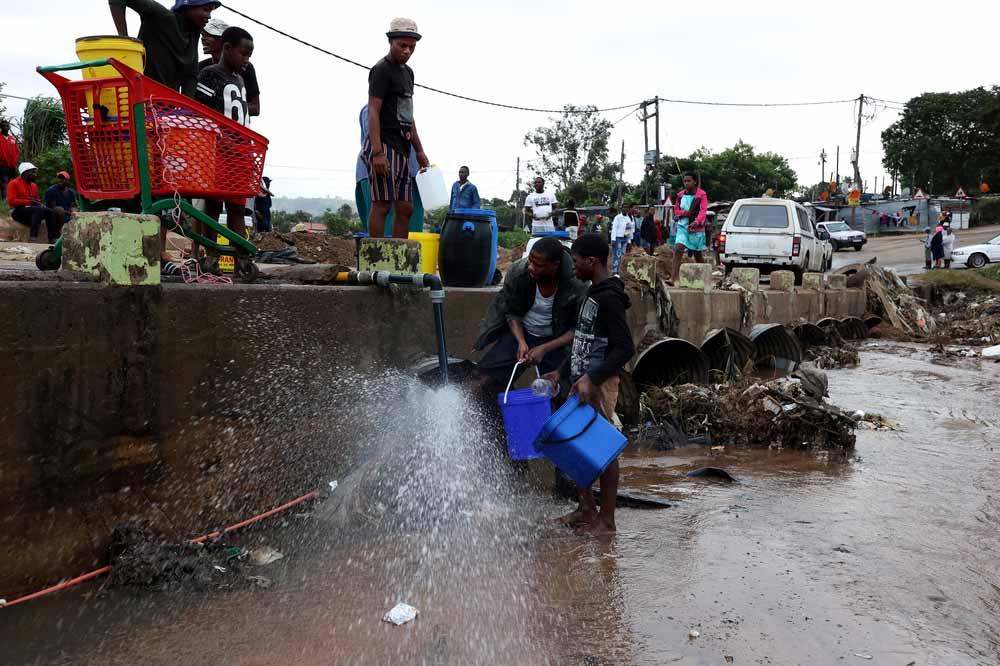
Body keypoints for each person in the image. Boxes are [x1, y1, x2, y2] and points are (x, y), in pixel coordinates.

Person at [548, 232, 634, 536]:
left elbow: (624, 348)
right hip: (580, 378)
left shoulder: (610, 298)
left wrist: (592, 377)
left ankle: (606, 521)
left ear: (591, 261)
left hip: (599, 382)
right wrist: (561, 371)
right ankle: (586, 508)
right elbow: (581, 339)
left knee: (602, 448)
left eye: (576, 260)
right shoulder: (591, 292)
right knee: (576, 444)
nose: (572, 266)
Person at [469, 237, 586, 395]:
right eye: (530, 261)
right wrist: (521, 342)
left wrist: (544, 348)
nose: (531, 267)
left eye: (538, 265)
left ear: (554, 265)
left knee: (558, 390)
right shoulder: (519, 273)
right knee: (479, 379)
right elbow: (511, 312)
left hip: (556, 341)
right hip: (523, 333)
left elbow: (576, 329)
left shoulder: (577, 283)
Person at [365, 18, 430, 239]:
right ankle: (375, 261)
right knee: (382, 204)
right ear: (390, 41)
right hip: (384, 145)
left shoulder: (408, 73)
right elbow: (373, 110)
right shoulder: (381, 70)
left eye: (412, 47)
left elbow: (407, 114)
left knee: (405, 208)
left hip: (403, 148)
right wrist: (377, 152)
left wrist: (419, 150)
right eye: (402, 45)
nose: (407, 50)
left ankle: (398, 262)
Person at [195, 26, 254, 260]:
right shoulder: (209, 74)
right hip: (218, 153)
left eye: (249, 55)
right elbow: (201, 113)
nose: (247, 59)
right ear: (227, 49)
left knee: (237, 208)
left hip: (241, 153)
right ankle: (211, 257)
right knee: (212, 206)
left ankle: (241, 259)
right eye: (244, 53)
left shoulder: (240, 78)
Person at [109, 0, 217, 98]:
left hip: (165, 110)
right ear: (188, 7)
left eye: (211, 11)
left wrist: (185, 112)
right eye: (205, 10)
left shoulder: (193, 34)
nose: (209, 16)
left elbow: (190, 77)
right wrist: (125, 41)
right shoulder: (162, 17)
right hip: (139, 101)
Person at [199, 17, 260, 117]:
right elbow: (197, 103)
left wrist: (230, 107)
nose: (203, 39)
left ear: (222, 41)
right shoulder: (203, 69)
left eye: (209, 36)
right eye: (203, 35)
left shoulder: (245, 69)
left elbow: (256, 108)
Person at [670, 172, 709, 285]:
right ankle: (673, 278)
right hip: (683, 225)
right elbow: (676, 210)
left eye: (689, 181)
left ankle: (704, 277)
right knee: (678, 249)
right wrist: (684, 213)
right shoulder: (680, 195)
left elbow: (703, 211)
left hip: (696, 227)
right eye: (685, 181)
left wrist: (696, 222)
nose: (686, 183)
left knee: (697, 253)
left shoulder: (701, 195)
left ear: (695, 182)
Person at [7, 163, 62, 242]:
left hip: (32, 211)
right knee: (37, 210)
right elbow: (11, 201)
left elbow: (36, 200)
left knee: (49, 211)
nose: (35, 175)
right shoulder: (13, 183)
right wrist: (29, 202)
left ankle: (52, 238)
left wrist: (39, 203)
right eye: (33, 172)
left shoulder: (34, 186)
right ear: (25, 173)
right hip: (17, 211)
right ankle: (33, 237)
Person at [0, 119, 18, 201]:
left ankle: (13, 197)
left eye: (7, 125)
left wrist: (15, 160)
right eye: (4, 125)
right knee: (4, 181)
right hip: (2, 165)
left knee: (13, 182)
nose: (6, 127)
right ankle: (4, 199)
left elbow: (16, 151)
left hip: (12, 165)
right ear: (1, 127)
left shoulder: (13, 139)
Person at [609, 206, 630, 274]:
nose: (625, 209)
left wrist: (629, 240)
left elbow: (629, 229)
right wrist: (613, 239)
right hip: (618, 238)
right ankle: (614, 270)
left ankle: (619, 269)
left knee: (622, 254)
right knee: (617, 254)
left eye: (626, 208)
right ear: (621, 209)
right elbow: (614, 228)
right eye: (624, 207)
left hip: (625, 238)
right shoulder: (617, 217)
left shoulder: (628, 218)